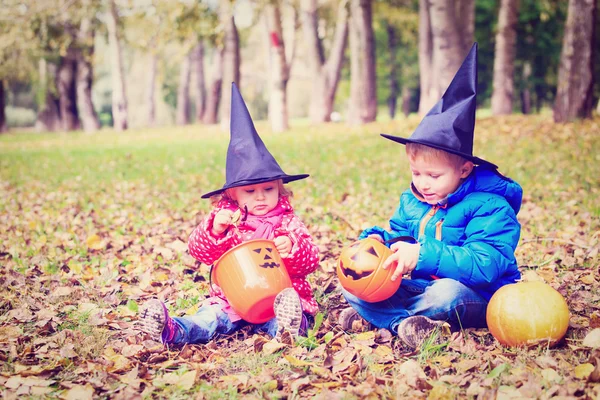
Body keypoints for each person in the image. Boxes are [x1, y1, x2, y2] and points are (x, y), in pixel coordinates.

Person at [338, 43, 523, 350]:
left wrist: (423, 255)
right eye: (416, 173)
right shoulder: (412, 201)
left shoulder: (491, 206)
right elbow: (401, 237)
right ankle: (407, 324)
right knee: (353, 283)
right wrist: (378, 242)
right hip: (420, 285)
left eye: (433, 176)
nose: (422, 183)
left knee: (445, 295)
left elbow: (485, 263)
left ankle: (382, 317)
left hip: (474, 293)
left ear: (464, 170)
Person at [139, 83, 319, 345]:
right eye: (250, 191)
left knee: (285, 314)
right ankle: (171, 330)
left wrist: (292, 246)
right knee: (210, 319)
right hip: (234, 298)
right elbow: (201, 252)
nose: (260, 196)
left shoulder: (287, 221)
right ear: (233, 194)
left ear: (279, 189)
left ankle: (288, 329)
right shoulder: (227, 220)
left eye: (268, 189)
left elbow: (311, 260)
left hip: (279, 296)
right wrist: (215, 230)